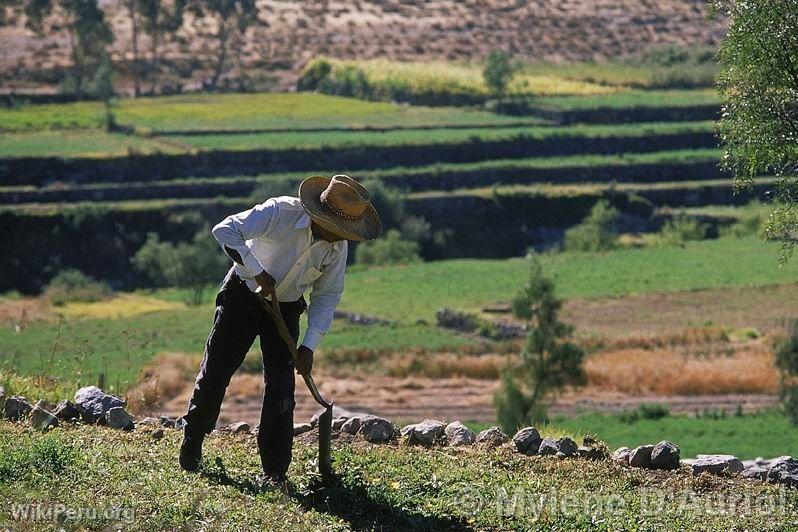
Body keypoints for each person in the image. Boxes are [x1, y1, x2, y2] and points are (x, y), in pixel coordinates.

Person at [178, 174, 380, 484]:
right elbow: (225, 230)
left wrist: (309, 345)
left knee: (282, 389)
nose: (343, 238)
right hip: (242, 296)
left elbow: (327, 296)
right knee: (217, 371)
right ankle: (192, 442)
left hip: (285, 310)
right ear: (321, 218)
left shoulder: (337, 248)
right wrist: (258, 272)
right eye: (340, 230)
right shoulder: (280, 212)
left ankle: (275, 470)